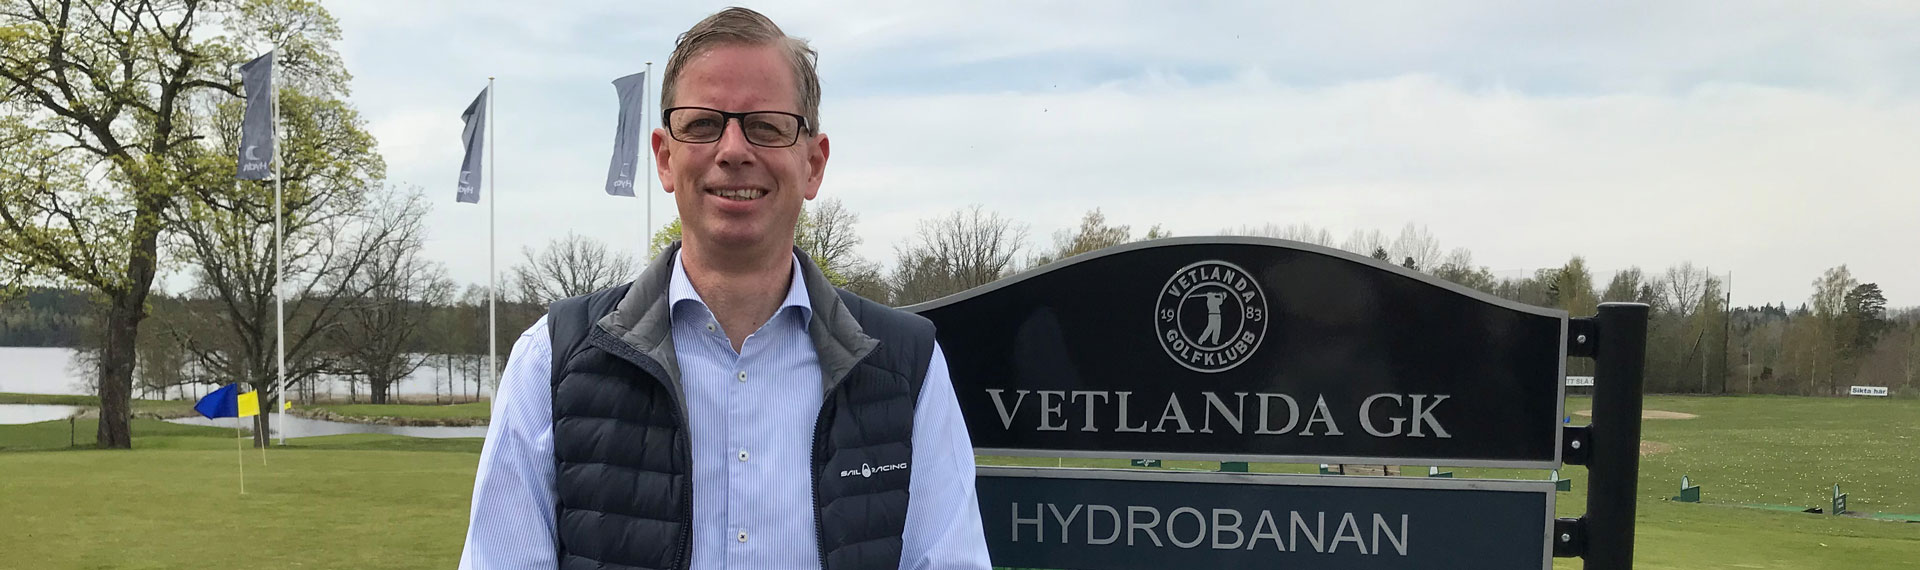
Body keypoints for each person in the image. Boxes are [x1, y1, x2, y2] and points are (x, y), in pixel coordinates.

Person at [458, 7, 990, 570]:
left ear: (813, 163)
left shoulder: (908, 368)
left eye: (765, 124)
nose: (734, 150)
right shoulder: (550, 360)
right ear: (665, 158)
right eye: (703, 124)